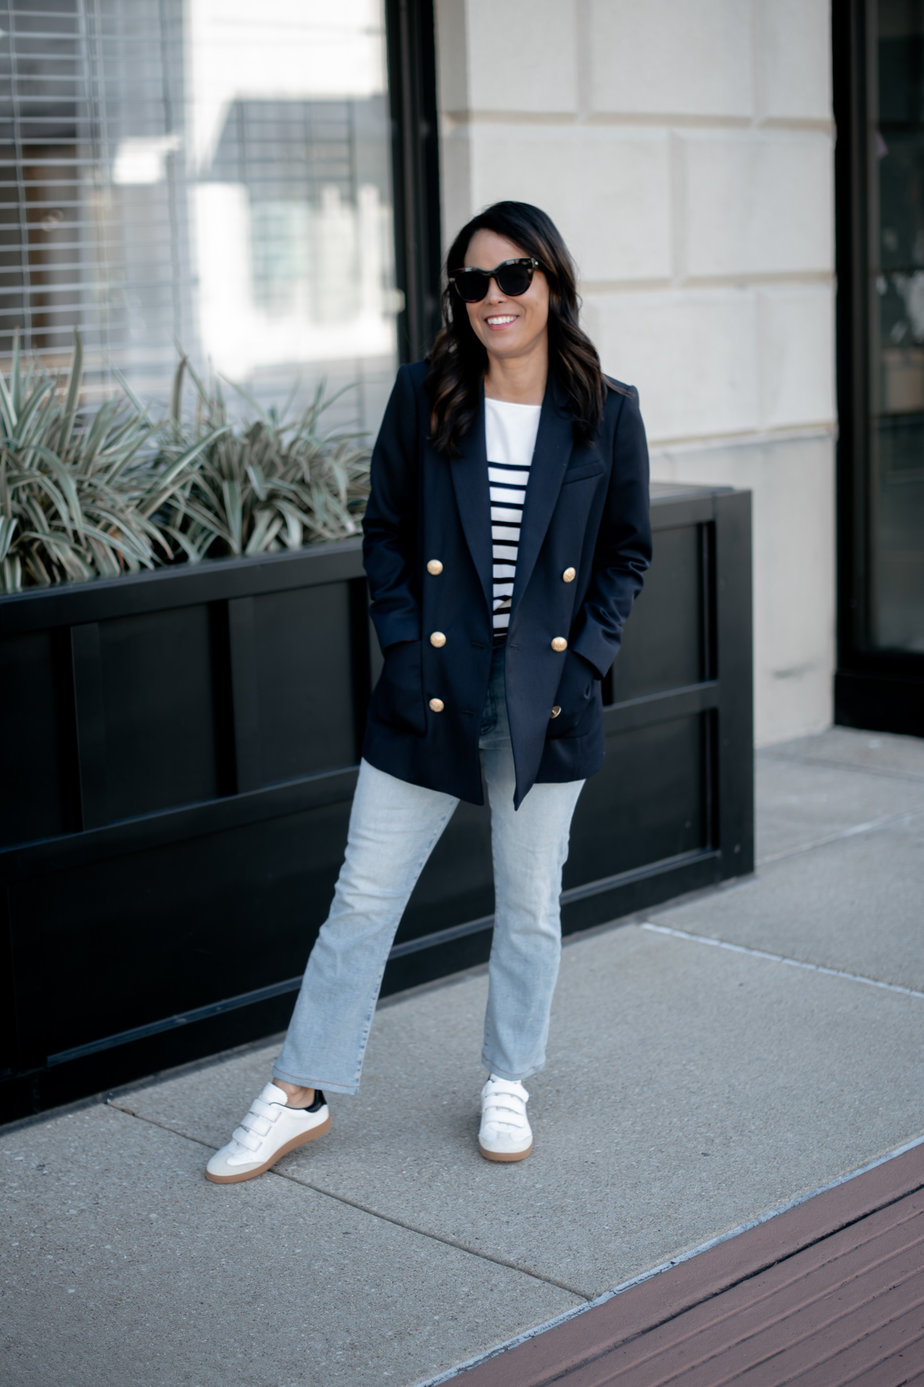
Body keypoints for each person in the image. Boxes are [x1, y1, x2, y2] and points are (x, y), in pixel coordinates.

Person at [206, 201, 651, 1183]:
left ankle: (508, 1077)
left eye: (514, 276)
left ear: (552, 282)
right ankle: (298, 1091)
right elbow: (387, 535)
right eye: (473, 282)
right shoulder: (426, 393)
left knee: (529, 902)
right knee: (362, 897)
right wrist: (405, 651)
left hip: (545, 697)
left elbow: (626, 553)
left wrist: (581, 668)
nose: (493, 297)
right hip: (432, 683)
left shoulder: (606, 411)